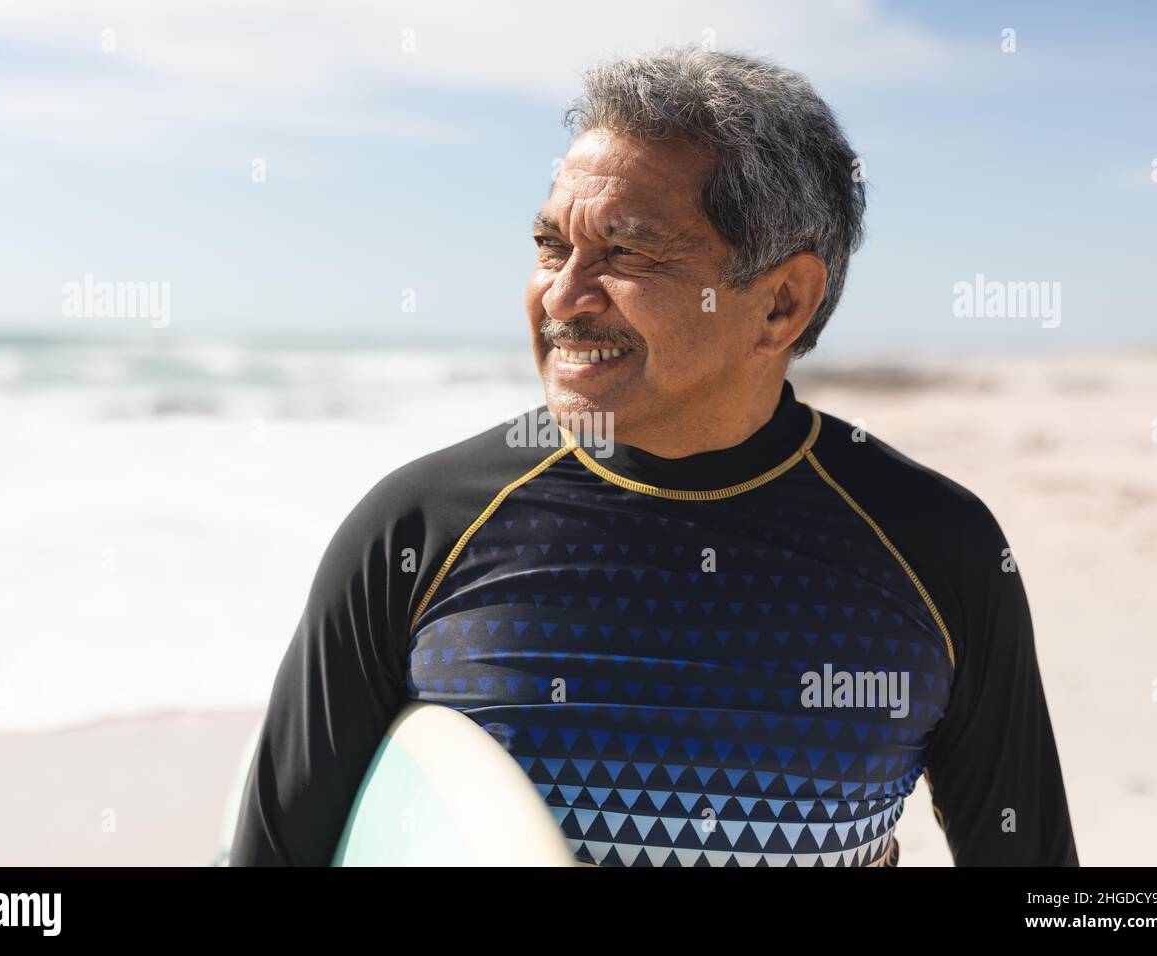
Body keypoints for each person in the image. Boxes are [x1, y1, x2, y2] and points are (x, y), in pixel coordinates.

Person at [229, 46, 1078, 867]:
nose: (562, 295)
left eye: (626, 253)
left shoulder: (938, 549)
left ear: (782, 302)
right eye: (553, 245)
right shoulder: (418, 531)